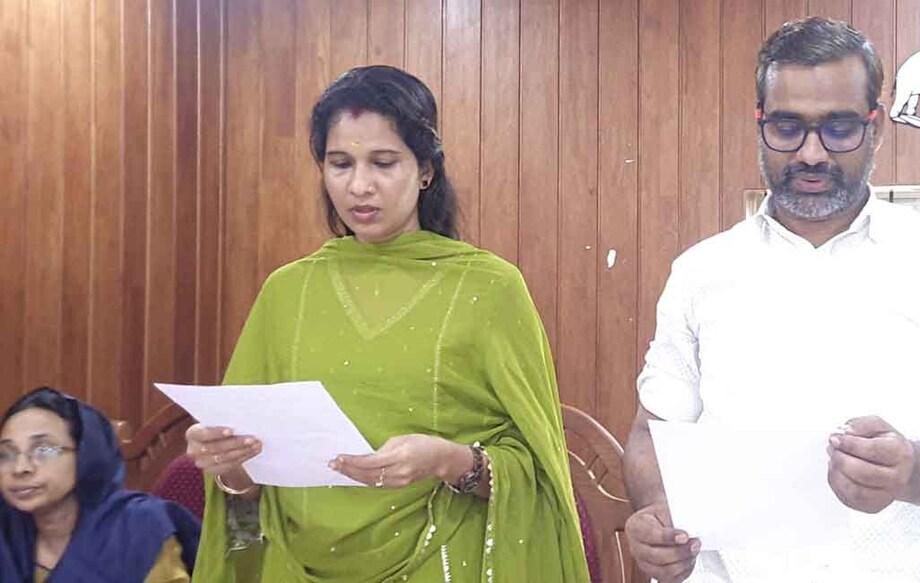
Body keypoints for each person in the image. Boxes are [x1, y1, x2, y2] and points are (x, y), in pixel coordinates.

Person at [622, 17, 920, 583]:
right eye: (787, 127)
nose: (811, 153)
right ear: (760, 123)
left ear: (875, 127)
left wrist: (912, 469)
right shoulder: (700, 272)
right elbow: (652, 433)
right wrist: (657, 514)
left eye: (838, 128)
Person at [185, 65, 590, 582]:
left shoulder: (490, 288)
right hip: (294, 563)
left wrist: (449, 461)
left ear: (426, 170)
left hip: (442, 560)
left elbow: (539, 473)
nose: (360, 186)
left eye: (383, 162)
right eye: (340, 164)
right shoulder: (287, 292)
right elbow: (247, 501)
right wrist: (231, 470)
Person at [0, 387, 201, 582]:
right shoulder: (6, 531)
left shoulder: (139, 528)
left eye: (43, 450)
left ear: (87, 454)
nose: (20, 468)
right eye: (5, 454)